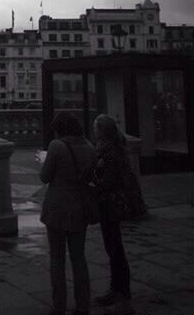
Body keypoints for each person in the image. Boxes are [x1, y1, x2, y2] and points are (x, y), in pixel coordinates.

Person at [40, 112, 96, 315]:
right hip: (80, 208)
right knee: (79, 259)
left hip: (57, 209)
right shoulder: (90, 147)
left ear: (60, 129)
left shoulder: (57, 146)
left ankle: (59, 306)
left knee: (57, 259)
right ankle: (83, 305)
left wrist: (44, 162)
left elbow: (44, 177)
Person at [92, 114, 135, 315]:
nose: (93, 132)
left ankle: (120, 290)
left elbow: (107, 181)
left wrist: (92, 185)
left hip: (109, 205)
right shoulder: (113, 149)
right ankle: (117, 288)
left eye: (96, 128)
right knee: (114, 246)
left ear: (101, 131)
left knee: (114, 247)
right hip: (113, 204)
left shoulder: (108, 153)